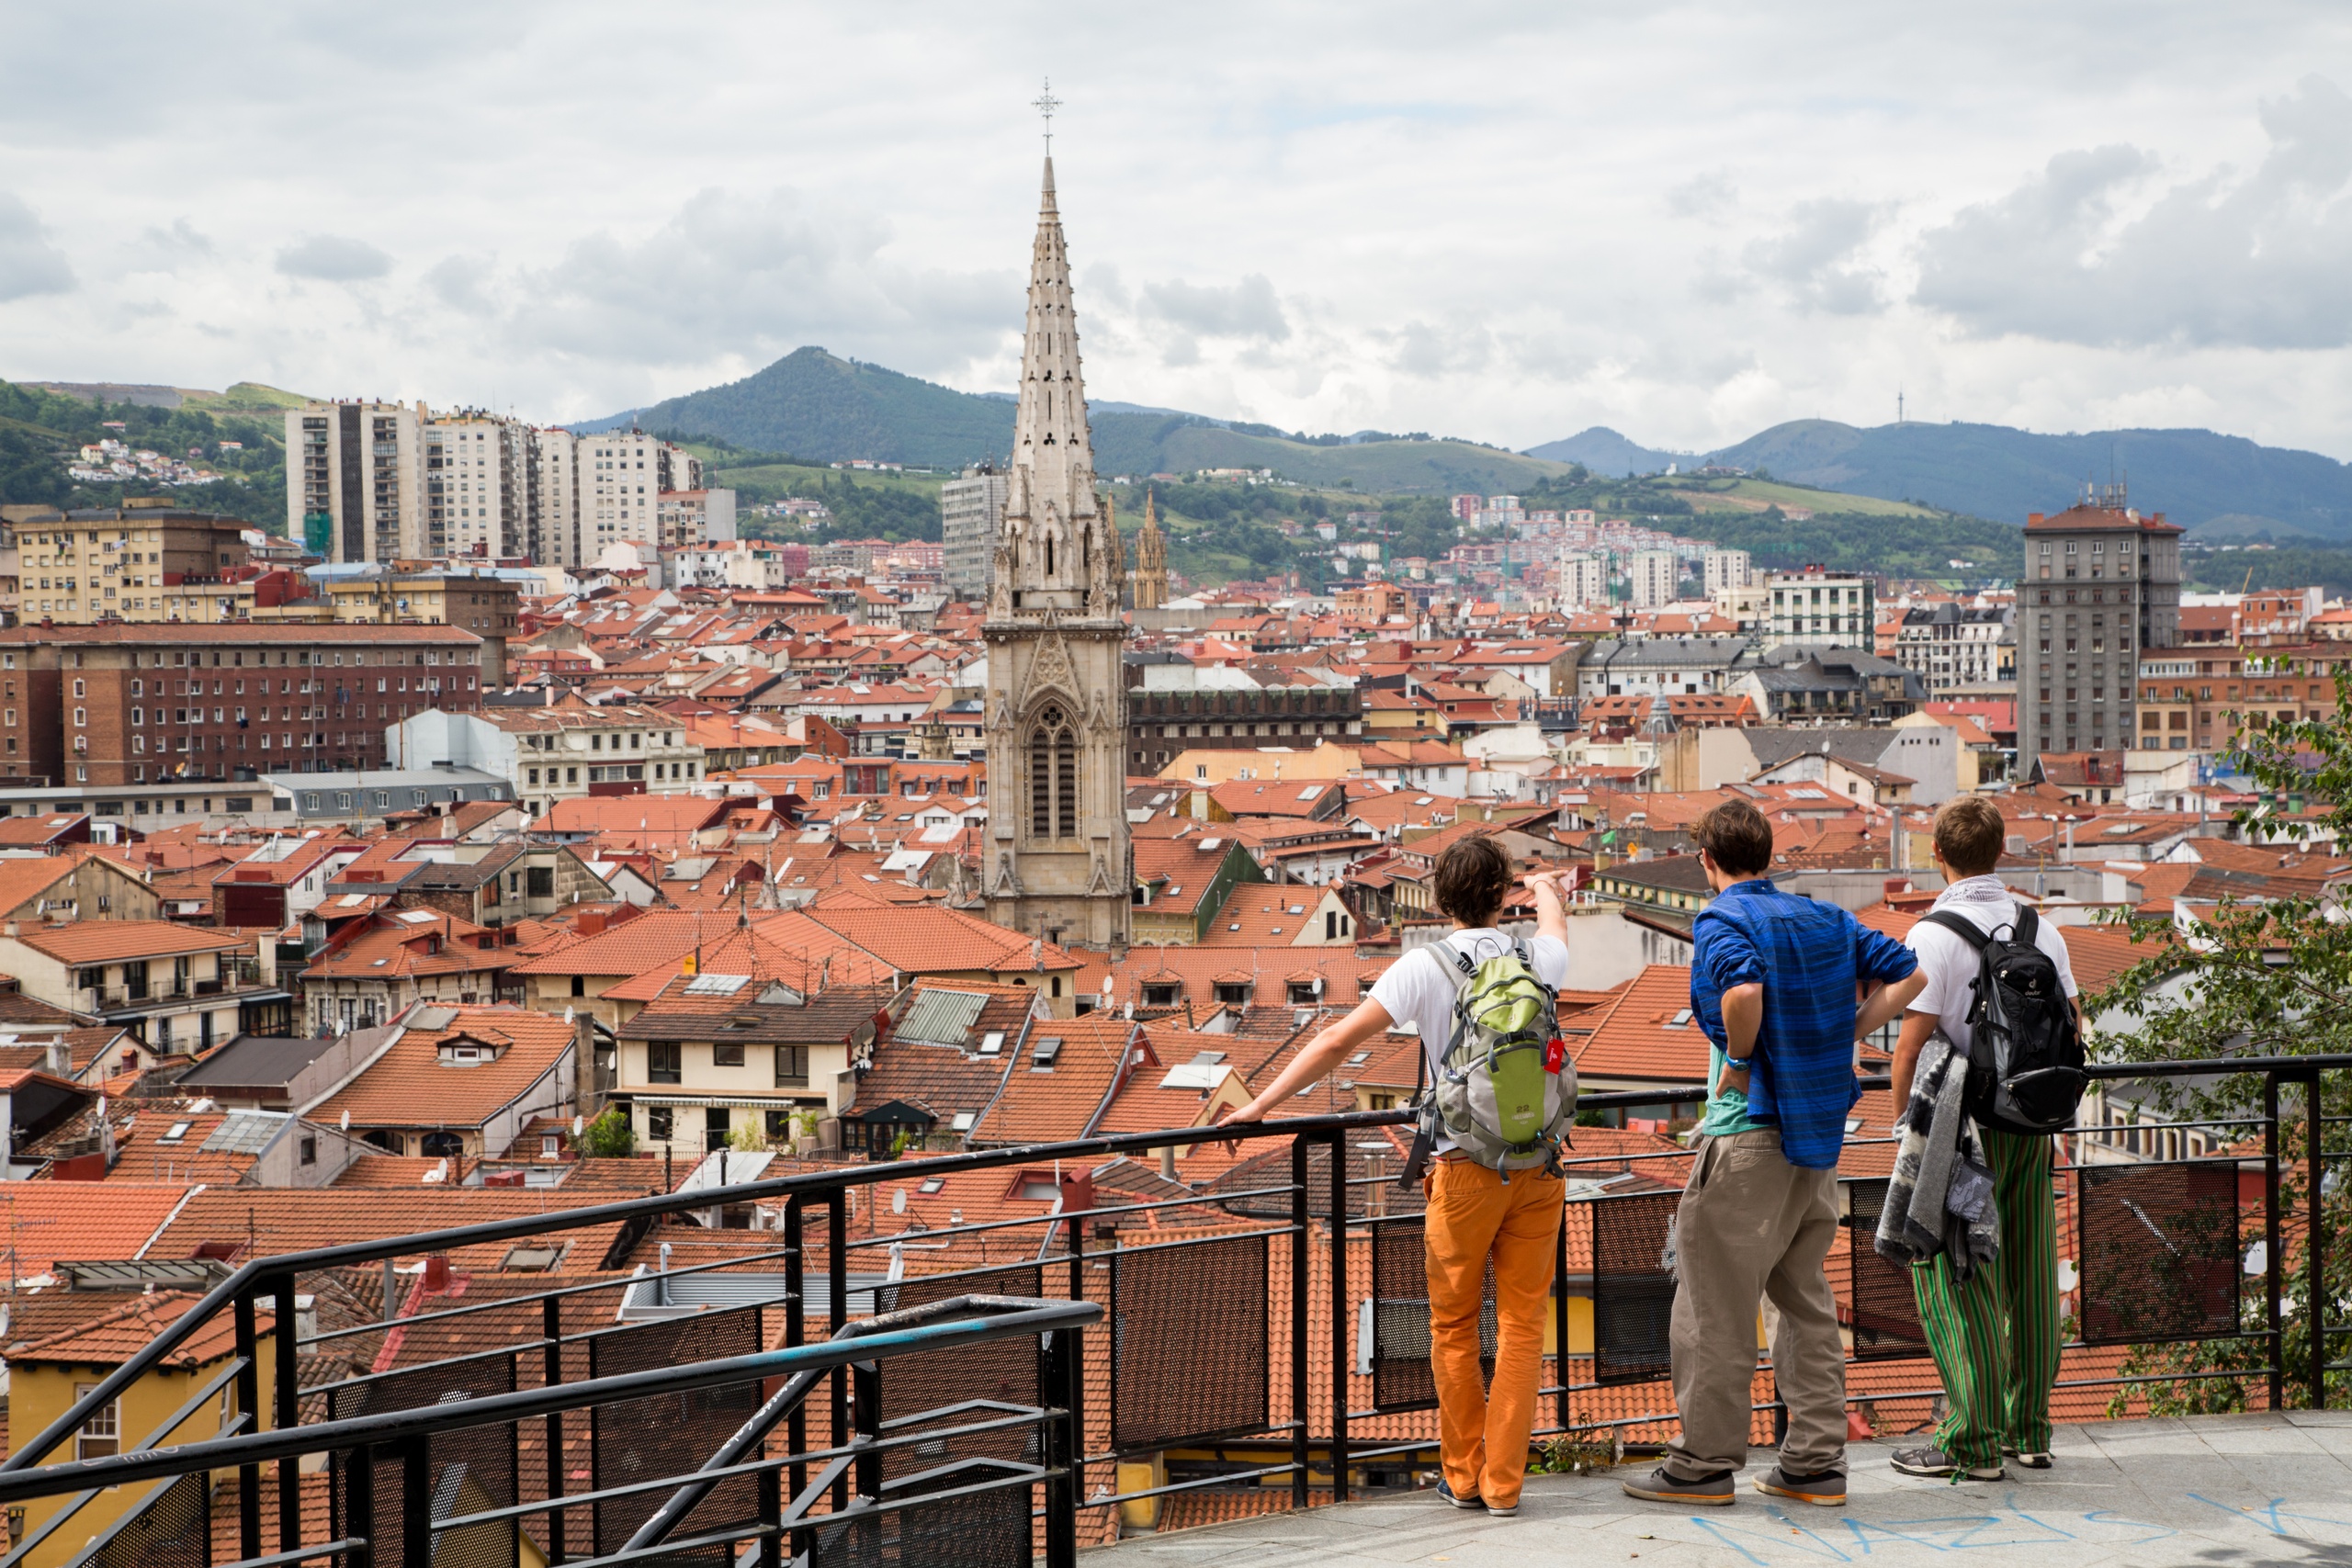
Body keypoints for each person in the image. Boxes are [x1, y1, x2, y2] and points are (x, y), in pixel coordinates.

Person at [1227, 835, 1571, 1519]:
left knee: (1454, 1324)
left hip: (1464, 1167)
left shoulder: (1426, 965)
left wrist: (1262, 1104)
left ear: (1440, 899)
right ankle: (1505, 1484)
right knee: (1524, 1326)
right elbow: (1557, 923)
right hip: (1538, 1165)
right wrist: (1545, 889)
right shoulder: (1539, 956)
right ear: (1504, 895)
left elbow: (1334, 1042)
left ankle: (1464, 1475)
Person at [1622, 798, 1922, 1510]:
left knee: (1712, 1305)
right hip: (1817, 1137)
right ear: (1768, 853)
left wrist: (1740, 1056)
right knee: (1804, 1299)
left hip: (1749, 1131)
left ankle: (1703, 1463)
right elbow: (1912, 973)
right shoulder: (1823, 917)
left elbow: (1745, 990)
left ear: (1706, 860)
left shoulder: (1723, 919)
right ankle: (1814, 1464)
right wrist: (1850, 1026)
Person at [1886, 795, 2079, 1482]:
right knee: (2029, 1270)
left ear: (1936, 854)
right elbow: (2072, 1024)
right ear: (2001, 852)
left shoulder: (1932, 934)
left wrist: (1900, 1126)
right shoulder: (2042, 928)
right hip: (2031, 1124)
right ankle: (2028, 1429)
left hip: (1960, 1131)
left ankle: (1971, 1440)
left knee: (1956, 1272)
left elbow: (1909, 1047)